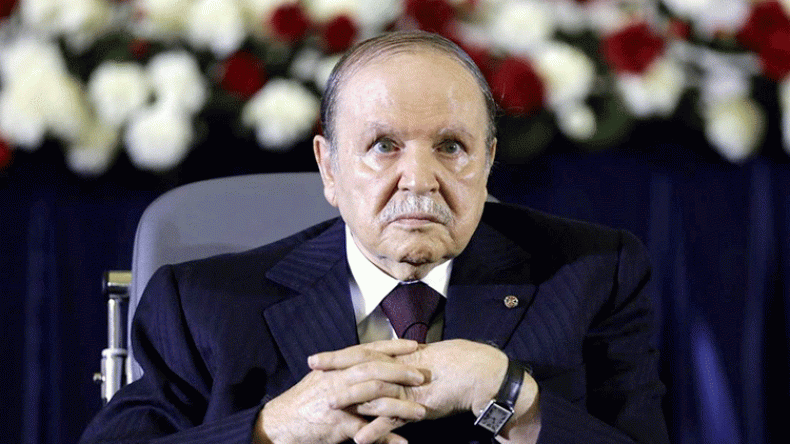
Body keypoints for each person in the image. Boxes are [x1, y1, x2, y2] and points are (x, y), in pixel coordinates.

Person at [80, 31, 668, 444]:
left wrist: (510, 393)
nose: (419, 178)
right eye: (384, 146)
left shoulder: (593, 276)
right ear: (330, 168)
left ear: (488, 162)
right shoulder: (203, 305)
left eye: (451, 147)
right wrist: (272, 429)